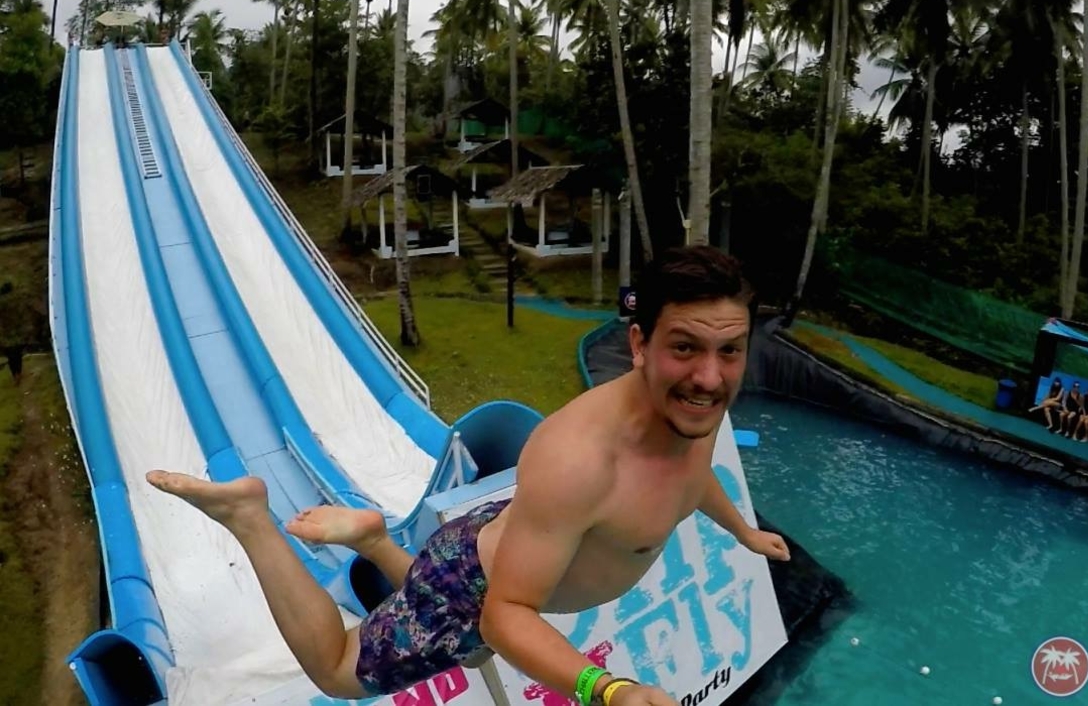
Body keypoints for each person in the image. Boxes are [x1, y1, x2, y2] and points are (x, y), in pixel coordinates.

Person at [145, 245, 791, 705]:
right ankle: (250, 518)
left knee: (460, 625)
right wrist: (609, 690)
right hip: (476, 588)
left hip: (503, 539)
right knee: (338, 670)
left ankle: (374, 540)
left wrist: (742, 531)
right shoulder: (580, 461)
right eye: (685, 347)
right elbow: (503, 618)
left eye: (729, 351)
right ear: (640, 344)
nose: (710, 376)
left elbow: (689, 477)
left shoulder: (695, 410)